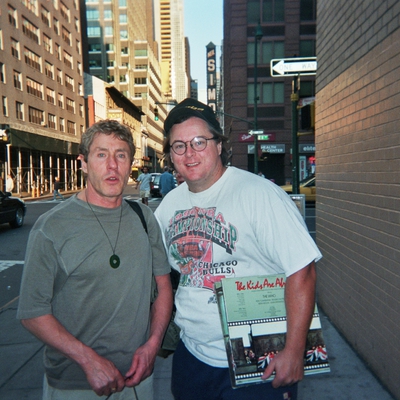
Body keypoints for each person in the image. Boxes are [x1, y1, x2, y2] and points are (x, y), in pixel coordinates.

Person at [154, 98, 322, 400]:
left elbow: (303, 269)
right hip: (192, 356)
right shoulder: (169, 205)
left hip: (258, 362)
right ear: (170, 155)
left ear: (219, 145)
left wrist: (295, 351)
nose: (189, 153)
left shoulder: (259, 194)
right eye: (179, 145)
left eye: (199, 141)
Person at [17, 120, 173, 400]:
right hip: (75, 384)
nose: (112, 165)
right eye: (101, 154)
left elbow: (163, 287)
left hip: (138, 380)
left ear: (129, 164)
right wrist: (88, 359)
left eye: (121, 155)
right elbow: (31, 312)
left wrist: (153, 344)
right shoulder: (51, 227)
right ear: (84, 163)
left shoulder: (144, 218)